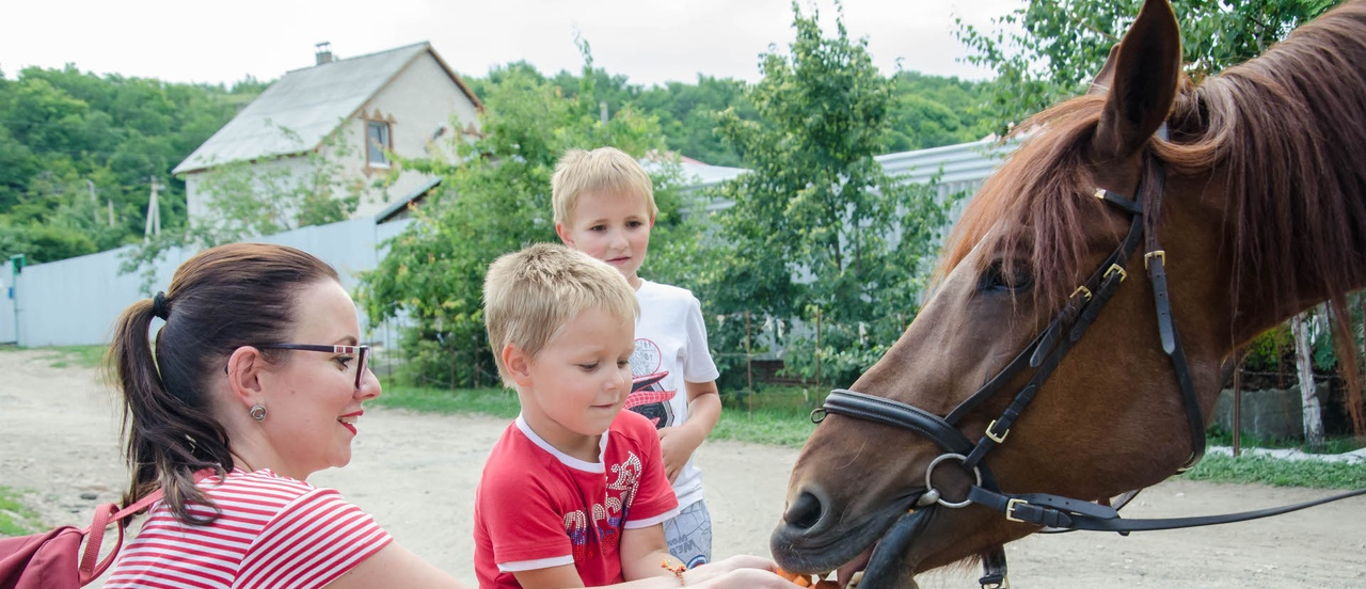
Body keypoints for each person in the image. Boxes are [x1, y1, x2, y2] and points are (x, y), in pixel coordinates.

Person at [103, 242, 781, 589]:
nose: (369, 385)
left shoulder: (174, 506)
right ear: (251, 374)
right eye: (343, 357)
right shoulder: (277, 516)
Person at [475, 244, 787, 589]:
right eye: (591, 365)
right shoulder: (514, 480)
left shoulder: (637, 438)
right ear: (520, 364)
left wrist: (701, 575)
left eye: (624, 360)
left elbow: (646, 557)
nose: (619, 381)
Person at [551, 147, 722, 568]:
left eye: (632, 223)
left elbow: (707, 395)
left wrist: (690, 435)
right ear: (567, 234)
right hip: (594, 520)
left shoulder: (679, 306)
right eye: (598, 227)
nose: (619, 241)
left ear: (652, 220)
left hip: (678, 511)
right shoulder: (555, 315)